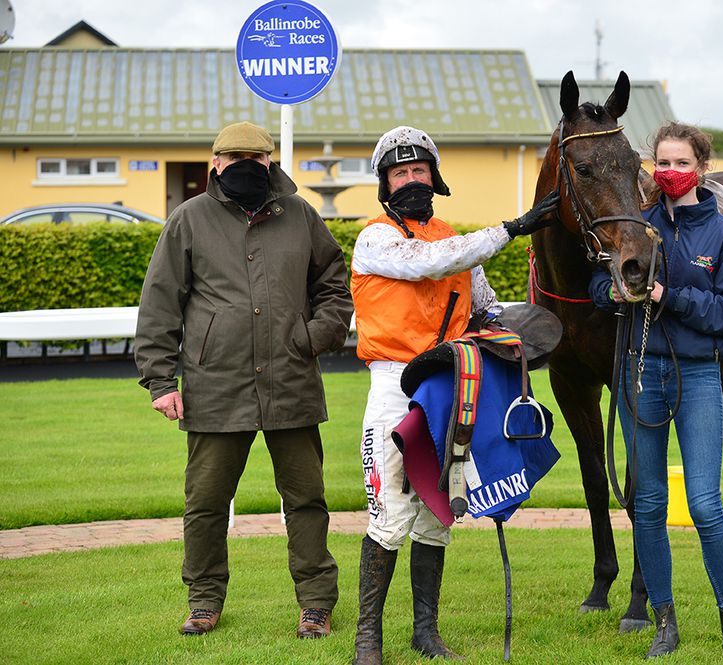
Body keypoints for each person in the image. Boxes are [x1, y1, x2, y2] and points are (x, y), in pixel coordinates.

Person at [134, 121, 354, 639]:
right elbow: (159, 302)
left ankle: (316, 604)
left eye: (254, 158)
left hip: (292, 379)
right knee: (206, 503)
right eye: (233, 158)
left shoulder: (301, 215)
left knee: (306, 499)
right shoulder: (188, 219)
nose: (244, 166)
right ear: (215, 163)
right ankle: (204, 600)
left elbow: (334, 287)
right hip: (215, 384)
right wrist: (161, 380)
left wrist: (311, 336)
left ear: (270, 161)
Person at [349, 125, 558, 665]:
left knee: (437, 512)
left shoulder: (456, 240)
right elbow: (427, 262)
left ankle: (426, 632)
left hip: (448, 385)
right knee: (391, 512)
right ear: (385, 184)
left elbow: (483, 305)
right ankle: (366, 640)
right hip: (395, 384)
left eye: (420, 170)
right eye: (400, 172)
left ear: (435, 177)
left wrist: (528, 331)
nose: (411, 179)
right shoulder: (374, 238)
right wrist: (513, 228)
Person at [589, 121, 723, 664]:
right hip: (640, 373)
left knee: (707, 507)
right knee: (649, 506)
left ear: (701, 168)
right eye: (663, 162)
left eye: (682, 163)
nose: (671, 172)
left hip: (700, 378)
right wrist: (614, 289)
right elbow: (596, 285)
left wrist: (669, 295)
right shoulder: (635, 223)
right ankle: (664, 622)